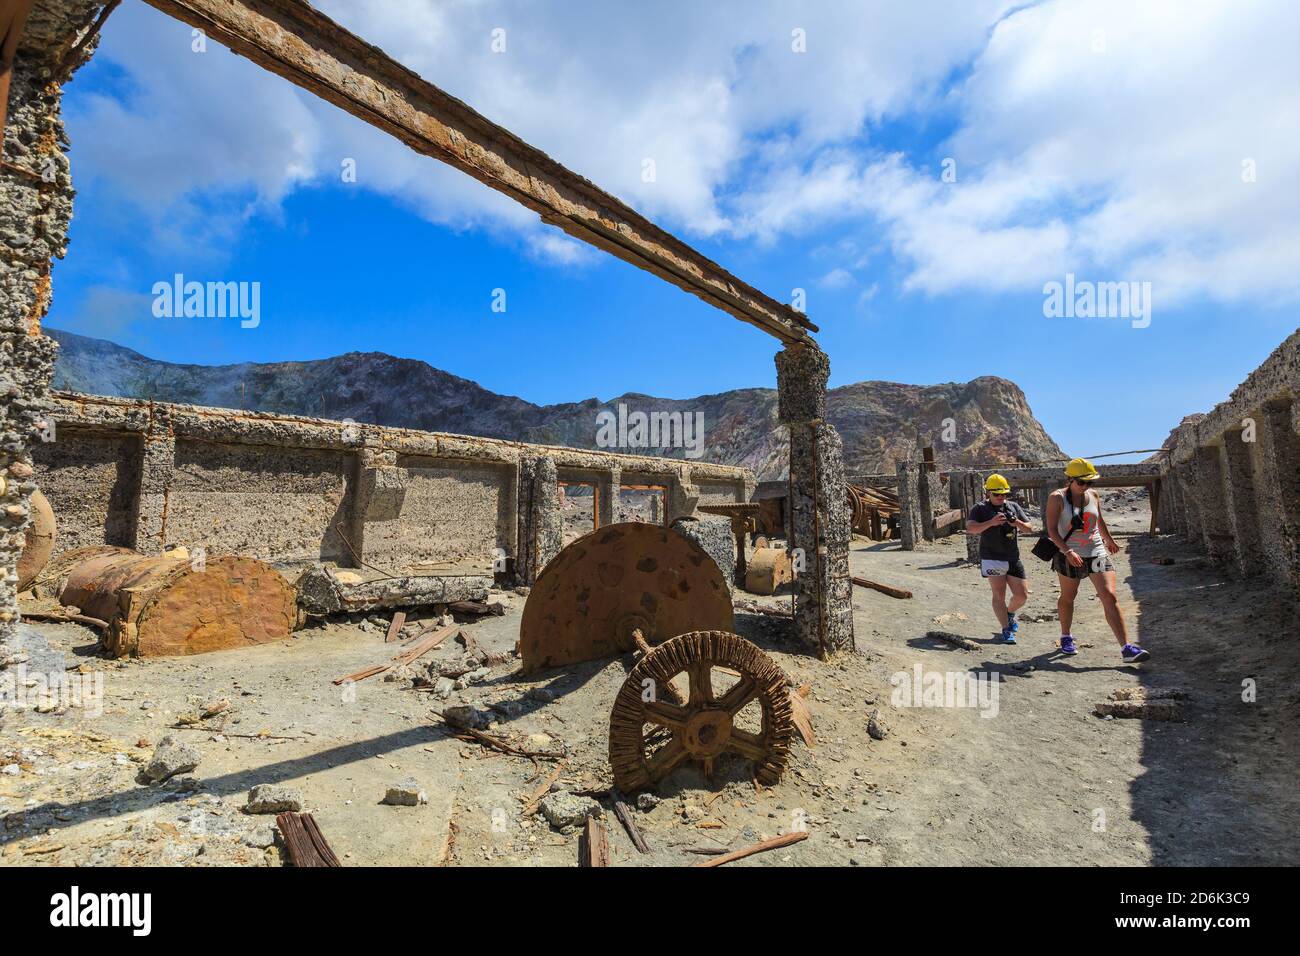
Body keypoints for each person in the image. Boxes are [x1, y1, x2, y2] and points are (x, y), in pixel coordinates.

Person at [1045, 458, 1150, 663]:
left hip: (1096, 551)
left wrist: (1109, 540)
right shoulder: (1057, 498)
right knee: (1069, 596)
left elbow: (1098, 520)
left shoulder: (1093, 495)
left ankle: (1126, 649)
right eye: (1081, 482)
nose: (1086, 486)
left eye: (1090, 482)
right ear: (1070, 479)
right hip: (1069, 554)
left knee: (1109, 596)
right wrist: (1067, 551)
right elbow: (1051, 529)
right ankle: (1066, 636)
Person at [965, 473, 1033, 644]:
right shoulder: (979, 508)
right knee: (998, 594)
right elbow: (971, 528)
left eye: (1004, 494)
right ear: (988, 492)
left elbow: (1029, 529)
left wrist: (1016, 523)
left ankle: (1009, 614)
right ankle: (1006, 629)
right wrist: (991, 522)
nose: (1001, 497)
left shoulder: (1013, 506)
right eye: (997, 494)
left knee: (1022, 596)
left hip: (1012, 557)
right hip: (992, 557)